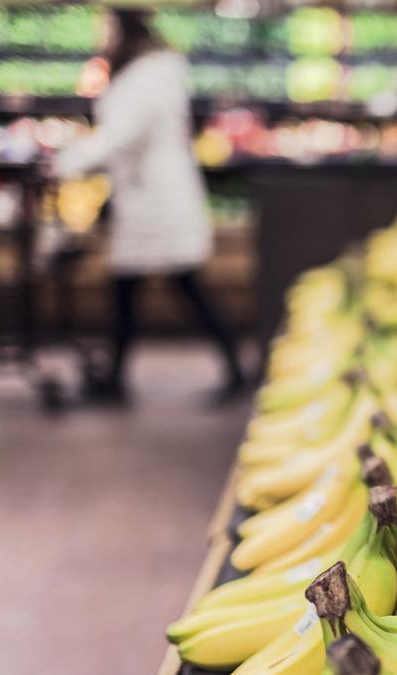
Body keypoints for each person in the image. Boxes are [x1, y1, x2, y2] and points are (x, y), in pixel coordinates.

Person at [53, 8, 246, 404]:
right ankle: (118, 377)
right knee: (130, 288)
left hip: (157, 200)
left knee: (181, 286)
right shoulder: (151, 71)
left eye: (106, 28)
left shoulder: (148, 76)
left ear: (124, 29)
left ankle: (233, 369)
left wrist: (68, 160)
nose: (102, 36)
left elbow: (122, 135)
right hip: (145, 197)